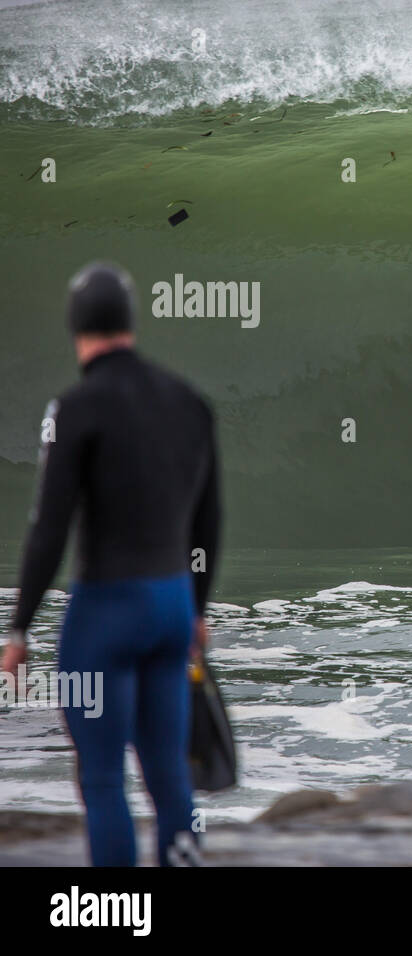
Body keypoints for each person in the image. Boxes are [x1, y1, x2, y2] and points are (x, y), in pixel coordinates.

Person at [1, 261, 221, 867]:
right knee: (170, 775)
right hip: (173, 606)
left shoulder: (73, 409)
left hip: (106, 613)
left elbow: (49, 528)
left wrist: (19, 629)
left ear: (76, 327)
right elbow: (209, 522)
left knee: (102, 780)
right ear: (130, 322)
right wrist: (197, 609)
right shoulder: (189, 403)